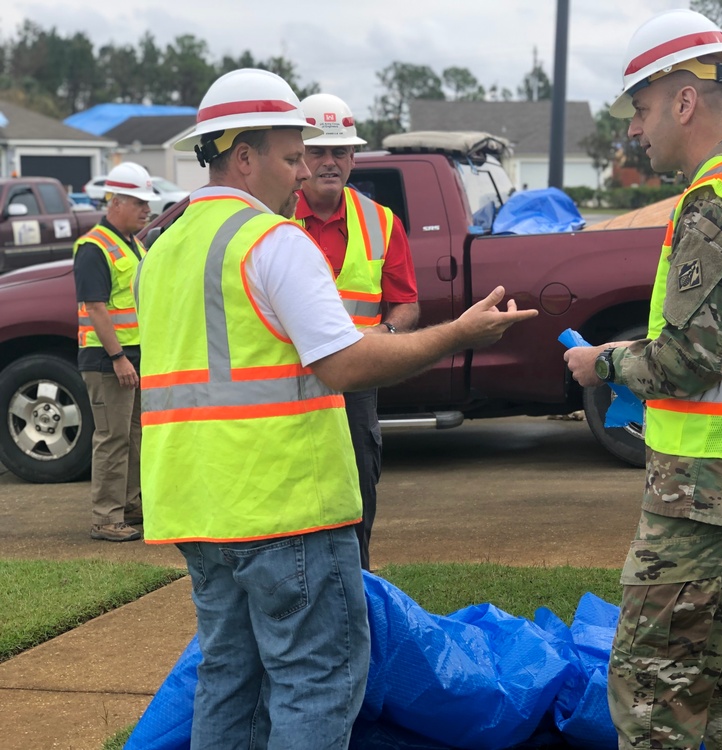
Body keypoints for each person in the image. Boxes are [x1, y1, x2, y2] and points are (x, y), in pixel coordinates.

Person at [135, 68, 535, 750]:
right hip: (282, 505)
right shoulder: (271, 242)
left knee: (229, 674)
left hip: (197, 509)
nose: (301, 172)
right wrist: (461, 334)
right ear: (243, 155)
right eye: (292, 156)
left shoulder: (163, 249)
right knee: (316, 680)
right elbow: (345, 364)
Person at [564, 9, 722, 749]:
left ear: (683, 100)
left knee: (652, 695)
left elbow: (688, 360)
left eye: (641, 109)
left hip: (708, 491)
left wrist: (603, 362)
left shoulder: (715, 204)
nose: (636, 130)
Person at [294, 92, 419, 571]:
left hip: (355, 386)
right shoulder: (270, 219)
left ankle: (357, 584)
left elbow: (405, 302)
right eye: (318, 150)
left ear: (353, 158)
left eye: (339, 151)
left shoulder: (381, 222)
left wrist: (384, 335)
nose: (329, 162)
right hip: (288, 383)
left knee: (359, 492)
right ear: (300, 155)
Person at [73, 161, 156, 542]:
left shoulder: (132, 243)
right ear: (116, 201)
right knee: (112, 438)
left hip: (131, 357)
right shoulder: (93, 248)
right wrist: (118, 356)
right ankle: (106, 518)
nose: (146, 209)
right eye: (138, 202)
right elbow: (96, 308)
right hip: (108, 361)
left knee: (134, 435)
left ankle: (130, 505)